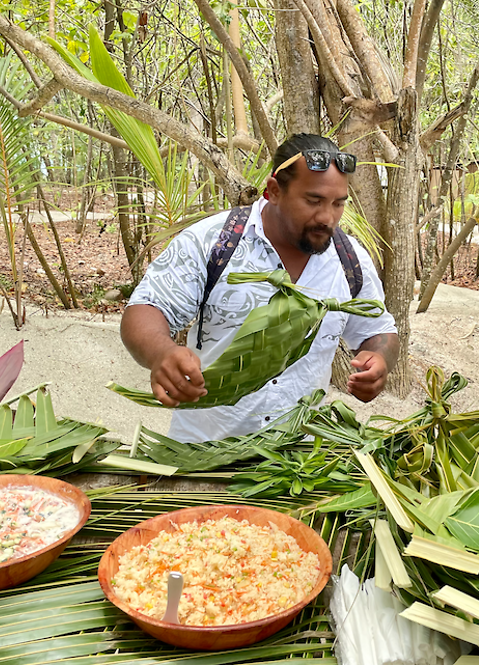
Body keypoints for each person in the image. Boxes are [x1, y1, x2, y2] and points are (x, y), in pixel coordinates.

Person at [121, 133, 399, 443]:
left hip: (300, 461)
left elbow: (378, 330)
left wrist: (379, 360)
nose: (327, 217)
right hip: (204, 452)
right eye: (313, 201)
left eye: (338, 204)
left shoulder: (349, 260)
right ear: (274, 191)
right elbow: (146, 309)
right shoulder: (212, 242)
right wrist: (162, 352)